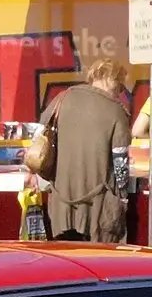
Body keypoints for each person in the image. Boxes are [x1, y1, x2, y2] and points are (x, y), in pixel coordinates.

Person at [41, 58, 132, 243]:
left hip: (61, 203)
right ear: (113, 81)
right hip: (97, 208)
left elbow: (41, 133)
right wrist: (123, 198)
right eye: (121, 87)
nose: (120, 93)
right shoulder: (116, 112)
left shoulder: (63, 98)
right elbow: (120, 162)